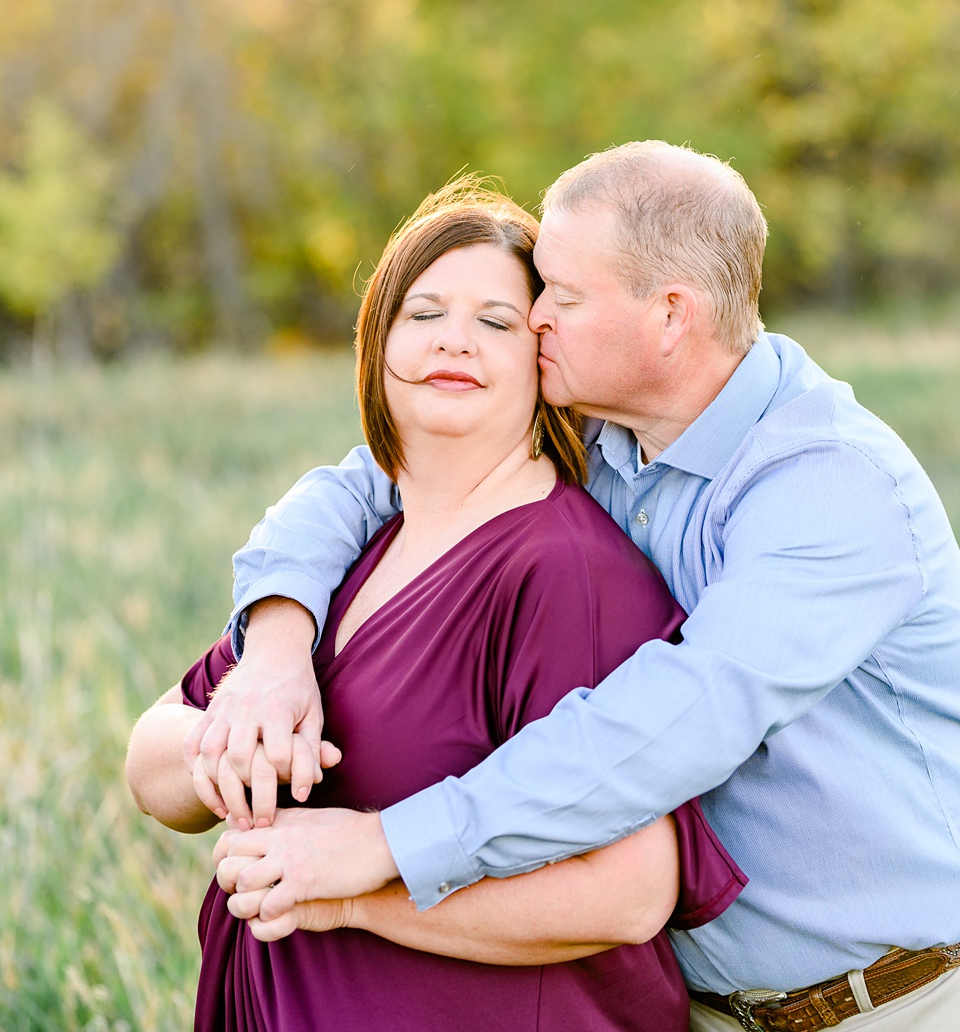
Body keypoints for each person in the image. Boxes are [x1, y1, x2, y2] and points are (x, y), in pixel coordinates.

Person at [189, 141, 960, 1031]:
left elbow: (669, 722)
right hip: (701, 1009)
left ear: (671, 315)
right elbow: (366, 483)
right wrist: (278, 647)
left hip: (892, 1003)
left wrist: (384, 847)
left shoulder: (828, 487)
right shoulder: (602, 435)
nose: (537, 317)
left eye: (563, 293)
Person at [127, 182, 745, 1032]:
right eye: (423, 313)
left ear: (545, 359)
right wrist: (234, 738)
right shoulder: (343, 559)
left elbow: (629, 895)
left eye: (497, 321)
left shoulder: (562, 572)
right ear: (377, 340)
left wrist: (354, 898)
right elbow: (151, 767)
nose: (455, 339)